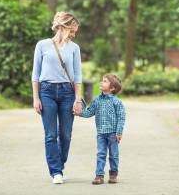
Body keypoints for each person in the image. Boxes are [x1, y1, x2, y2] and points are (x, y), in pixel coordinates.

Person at [31, 11, 82, 184]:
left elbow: (77, 77)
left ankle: (60, 165)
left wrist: (77, 99)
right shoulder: (42, 45)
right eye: (72, 31)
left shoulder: (74, 48)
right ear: (62, 27)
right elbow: (35, 74)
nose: (74, 35)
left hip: (67, 93)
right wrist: (36, 98)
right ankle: (56, 172)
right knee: (51, 134)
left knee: (66, 134)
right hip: (46, 92)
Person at [77, 74, 126, 185]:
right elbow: (89, 112)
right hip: (101, 133)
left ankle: (113, 174)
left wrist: (119, 132)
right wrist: (79, 113)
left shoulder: (117, 102)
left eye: (105, 81)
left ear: (112, 88)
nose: (101, 82)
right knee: (101, 154)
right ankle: (99, 175)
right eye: (102, 80)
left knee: (114, 155)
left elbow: (121, 117)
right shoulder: (97, 100)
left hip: (113, 133)